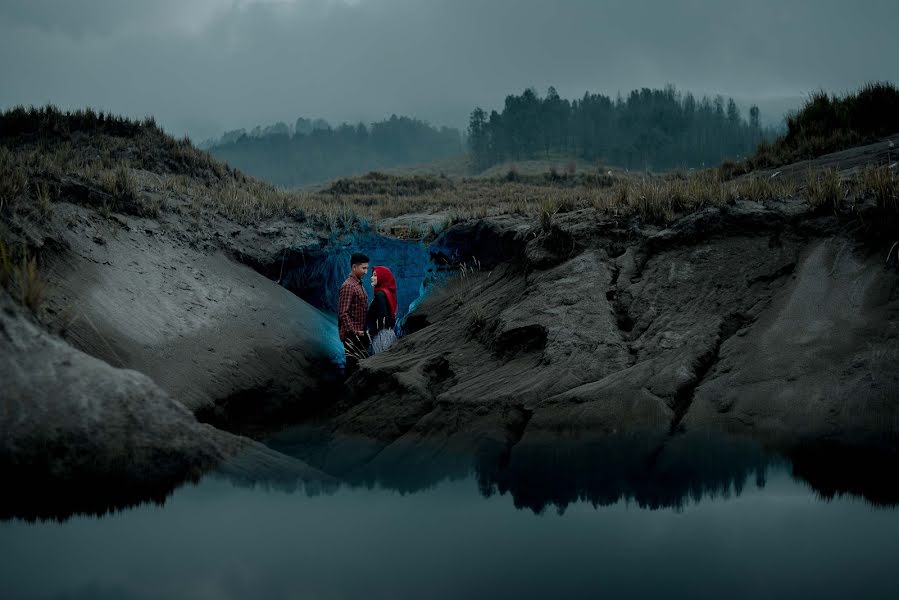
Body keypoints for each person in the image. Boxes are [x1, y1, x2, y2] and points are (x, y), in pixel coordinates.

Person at [337, 252, 369, 375]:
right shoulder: (348, 286)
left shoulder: (358, 284)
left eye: (366, 268)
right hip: (353, 336)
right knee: (353, 367)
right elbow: (343, 313)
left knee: (358, 366)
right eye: (363, 268)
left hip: (359, 334)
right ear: (354, 267)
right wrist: (355, 332)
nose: (366, 271)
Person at [366, 266, 398, 355]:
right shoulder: (386, 293)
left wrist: (373, 331)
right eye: (372, 275)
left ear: (382, 277)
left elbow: (383, 316)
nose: (372, 278)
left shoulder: (380, 294)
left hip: (381, 337)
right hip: (386, 334)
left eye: (375, 275)